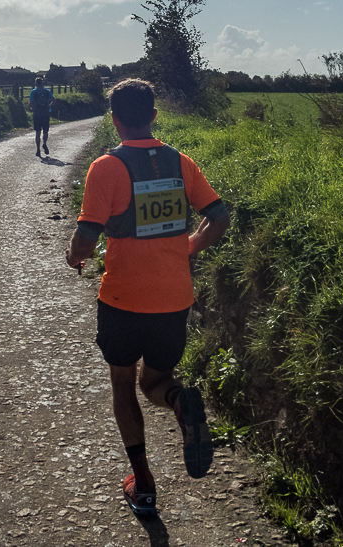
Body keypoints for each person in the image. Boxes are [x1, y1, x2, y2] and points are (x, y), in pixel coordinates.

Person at [65, 78, 230, 516]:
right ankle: (181, 401)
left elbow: (85, 237)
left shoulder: (107, 167)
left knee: (124, 385)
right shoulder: (181, 163)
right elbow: (219, 216)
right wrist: (188, 246)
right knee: (156, 382)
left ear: (114, 119)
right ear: (154, 116)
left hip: (122, 300)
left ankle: (145, 483)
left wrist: (73, 256)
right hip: (174, 300)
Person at [29, 76, 54, 157]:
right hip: (45, 113)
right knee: (45, 131)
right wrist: (49, 106)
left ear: (36, 83)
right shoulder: (47, 91)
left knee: (37, 132)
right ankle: (44, 143)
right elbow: (53, 100)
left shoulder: (34, 92)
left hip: (37, 113)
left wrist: (31, 108)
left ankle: (38, 150)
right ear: (42, 83)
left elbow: (31, 102)